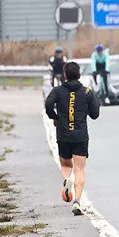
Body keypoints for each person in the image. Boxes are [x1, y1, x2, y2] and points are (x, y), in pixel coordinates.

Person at [44, 61, 100, 216]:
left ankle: (67, 179)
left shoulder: (57, 91)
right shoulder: (87, 92)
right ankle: (77, 201)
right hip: (81, 136)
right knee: (80, 169)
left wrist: (54, 117)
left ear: (65, 76)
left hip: (63, 134)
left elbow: (48, 104)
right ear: (80, 75)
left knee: (66, 165)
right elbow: (95, 115)